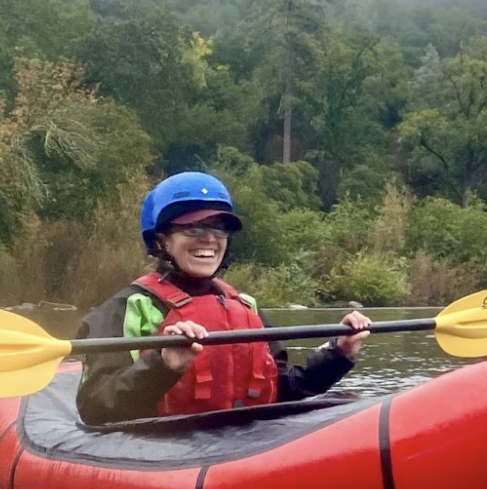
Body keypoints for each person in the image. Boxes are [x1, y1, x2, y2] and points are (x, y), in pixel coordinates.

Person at [75, 171, 371, 425]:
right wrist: (163, 365)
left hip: (241, 447)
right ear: (161, 240)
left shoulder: (246, 306)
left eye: (219, 228)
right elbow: (95, 409)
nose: (209, 238)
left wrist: (338, 354)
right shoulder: (127, 309)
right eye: (193, 227)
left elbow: (281, 390)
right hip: (164, 452)